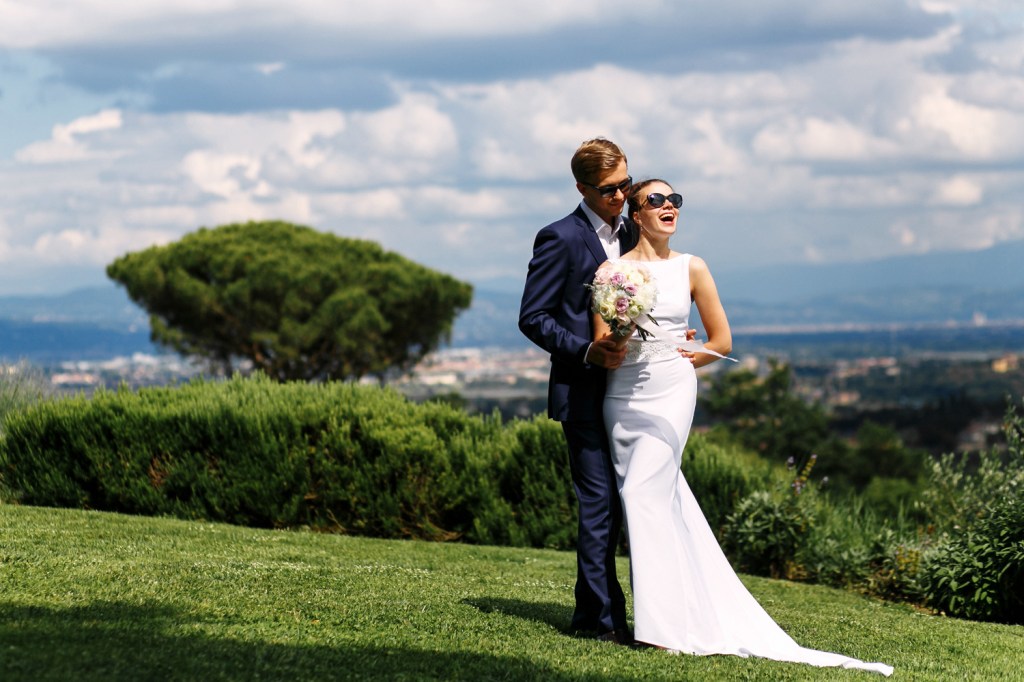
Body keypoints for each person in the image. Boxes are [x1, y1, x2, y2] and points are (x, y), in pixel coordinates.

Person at [593, 178, 894, 675]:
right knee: (655, 498)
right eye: (656, 201)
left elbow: (722, 339)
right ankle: (677, 616)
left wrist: (685, 358)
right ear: (635, 213)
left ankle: (659, 631)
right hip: (623, 394)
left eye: (675, 201)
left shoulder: (694, 267)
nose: (669, 207)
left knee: (642, 495)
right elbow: (605, 347)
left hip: (671, 390)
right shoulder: (612, 272)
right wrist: (622, 335)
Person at [518, 138, 638, 644]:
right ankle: (601, 619)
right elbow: (532, 317)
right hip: (582, 390)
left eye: (626, 185)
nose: (621, 196)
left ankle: (597, 610)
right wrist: (585, 352)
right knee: (599, 503)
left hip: (632, 391)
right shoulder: (559, 237)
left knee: (627, 503)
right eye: (609, 189)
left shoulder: (632, 230)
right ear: (582, 188)